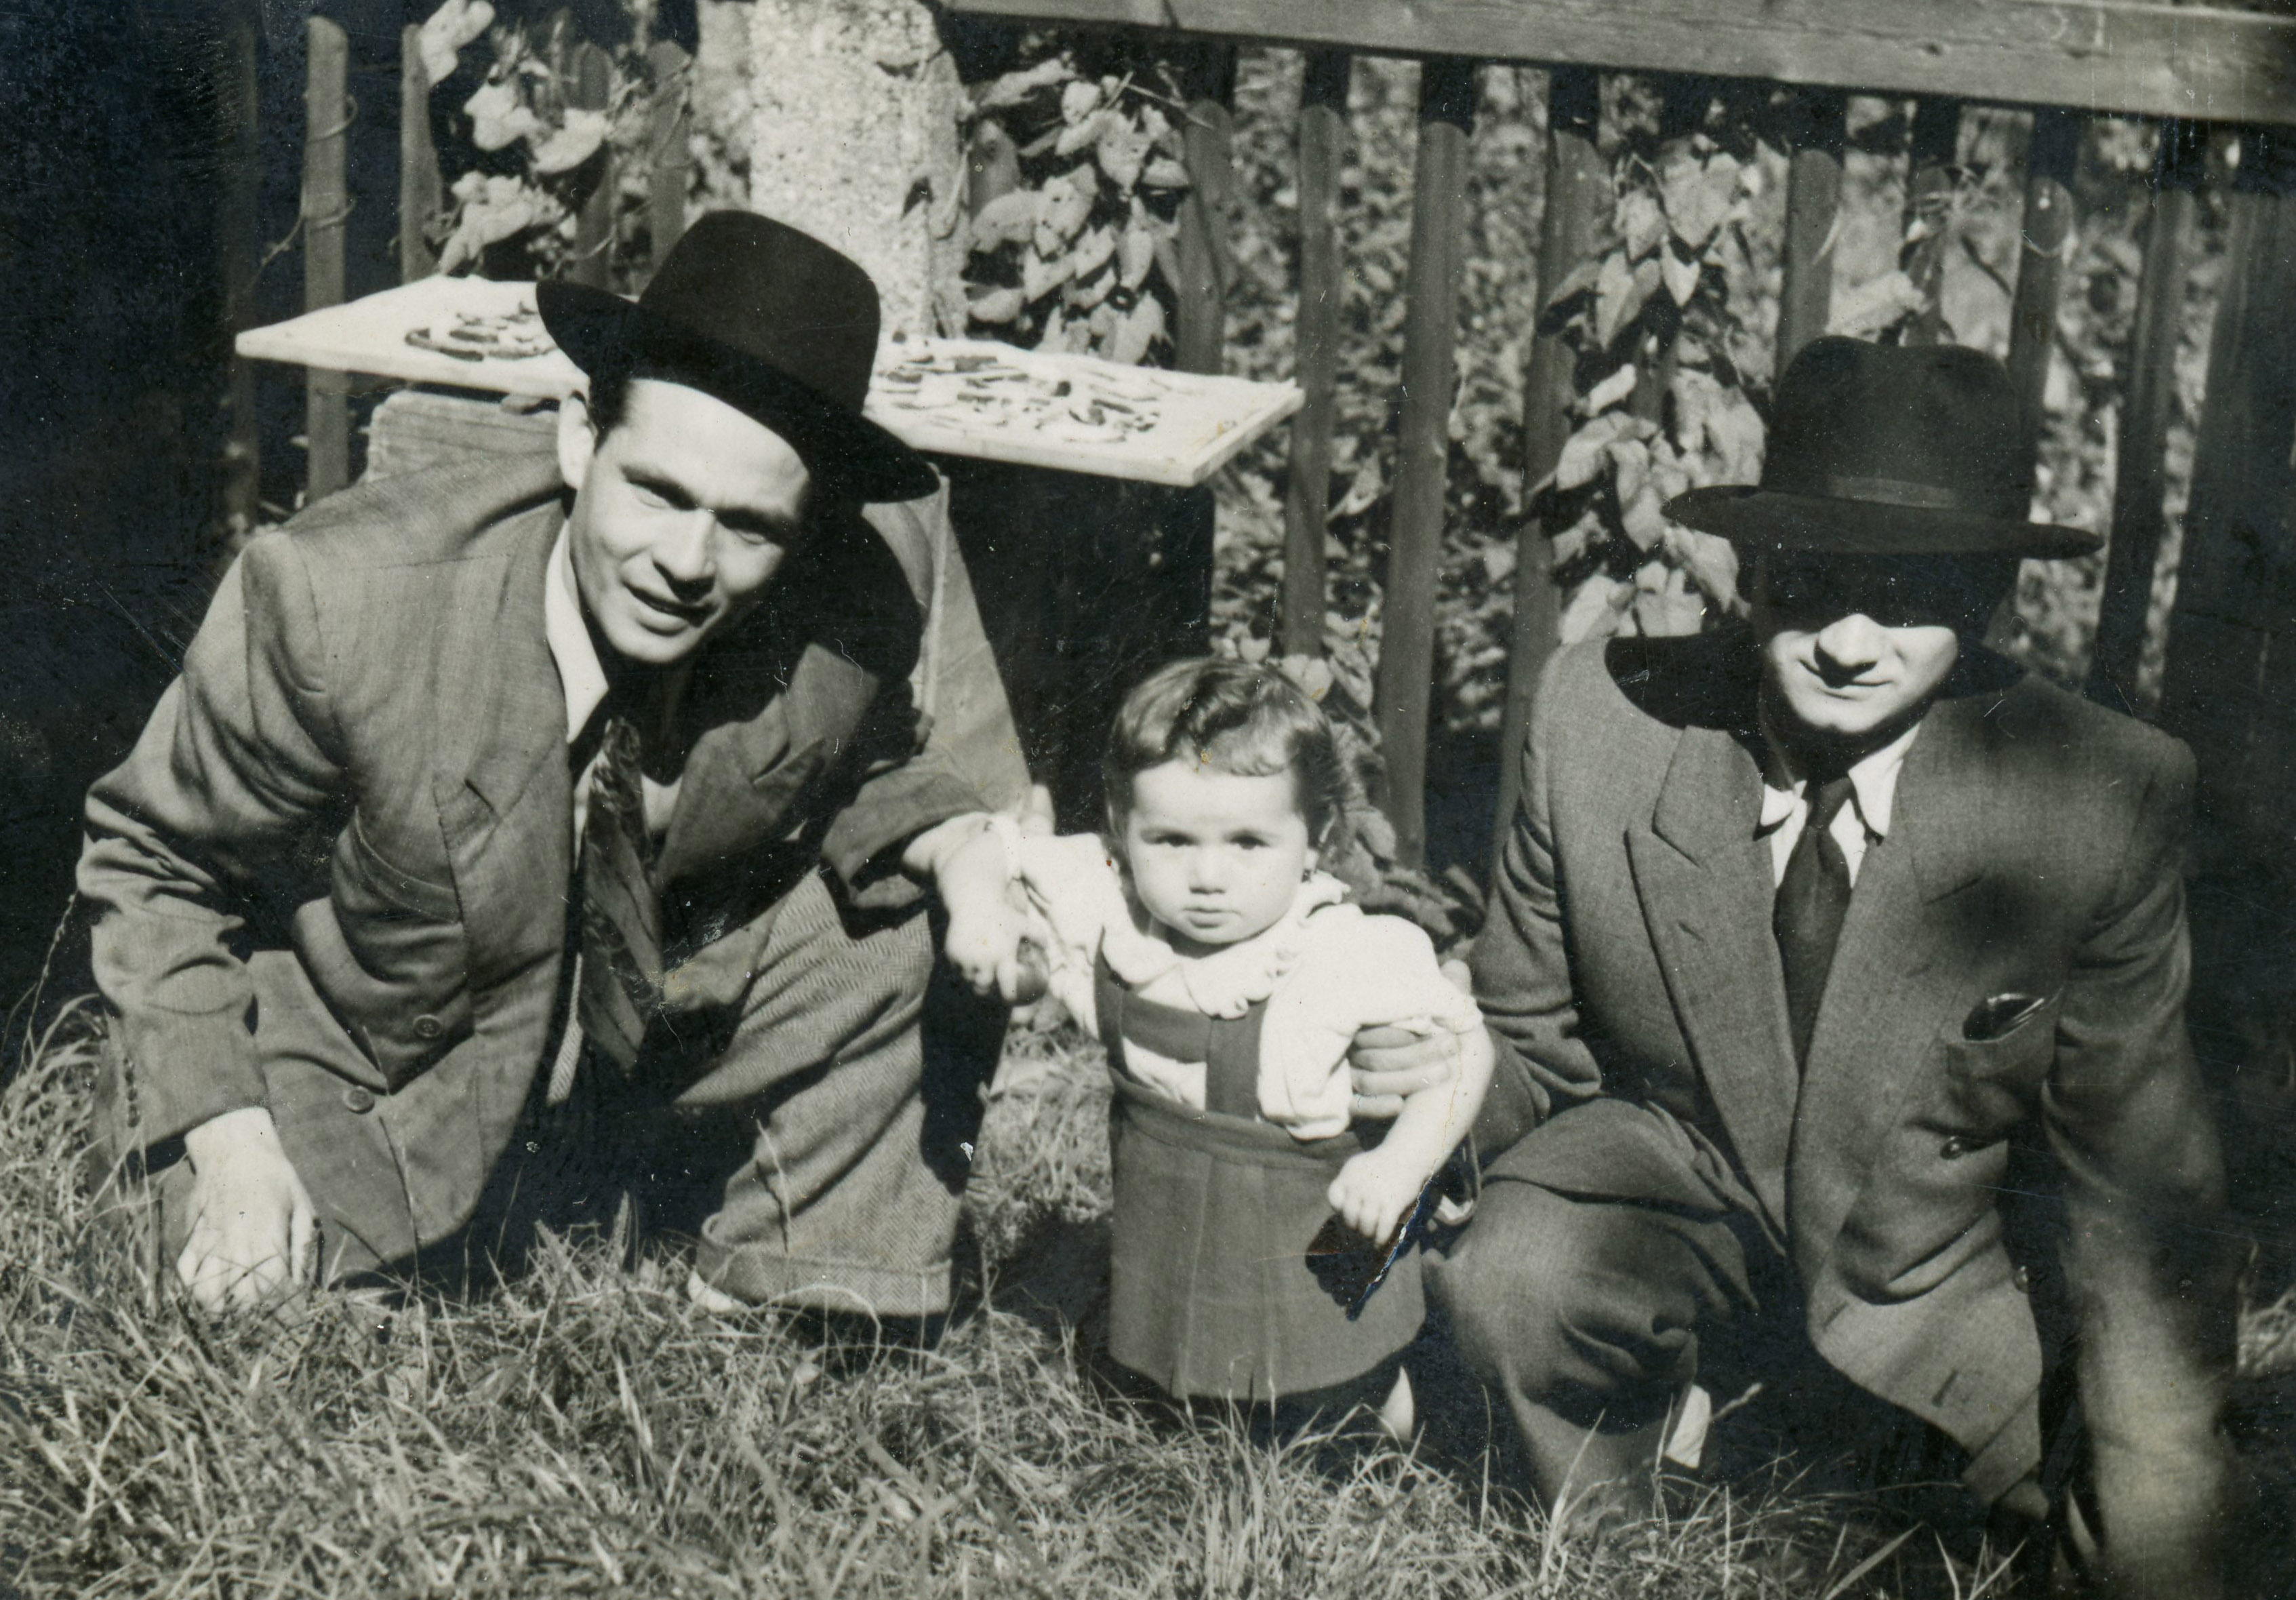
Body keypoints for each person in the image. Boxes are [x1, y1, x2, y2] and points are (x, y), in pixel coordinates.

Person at [78, 212, 1036, 1317]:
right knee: (242, 1320)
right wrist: (232, 1140)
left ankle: (775, 1302)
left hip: (615, 1046)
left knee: (908, 909)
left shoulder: (840, 614)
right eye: (660, 494)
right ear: (582, 437)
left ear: (806, 529)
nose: (687, 563)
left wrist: (966, 848)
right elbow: (153, 866)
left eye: (749, 527)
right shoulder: (339, 604)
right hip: (360, 1057)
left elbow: (858, 779)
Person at [1424, 338, 2234, 1593]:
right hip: (1676, 1199)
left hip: (1933, 1282)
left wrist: (2165, 1547)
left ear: (1988, 606)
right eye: (1808, 585)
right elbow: (1526, 1047)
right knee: (1515, 1273)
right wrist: (1401, 1087)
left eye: (1907, 595)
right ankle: (1606, 1541)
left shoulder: (2094, 797)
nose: (1848, 641)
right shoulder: (1598, 726)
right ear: (1748, 574)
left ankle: (1839, 1460)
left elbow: (2135, 1196)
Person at [1003, 657, 1491, 1433]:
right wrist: (1007, 952)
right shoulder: (1121, 928)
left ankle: (1387, 1410)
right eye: (1169, 839)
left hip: (1308, 1230)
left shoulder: (1335, 954)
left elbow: (1465, 1049)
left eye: (1247, 842)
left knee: (1341, 1386)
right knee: (1172, 1388)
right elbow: (1014, 878)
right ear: (1122, 828)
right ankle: (1186, 1403)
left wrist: (1400, 1163)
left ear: (1317, 837)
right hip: (1169, 1222)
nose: (1206, 876)